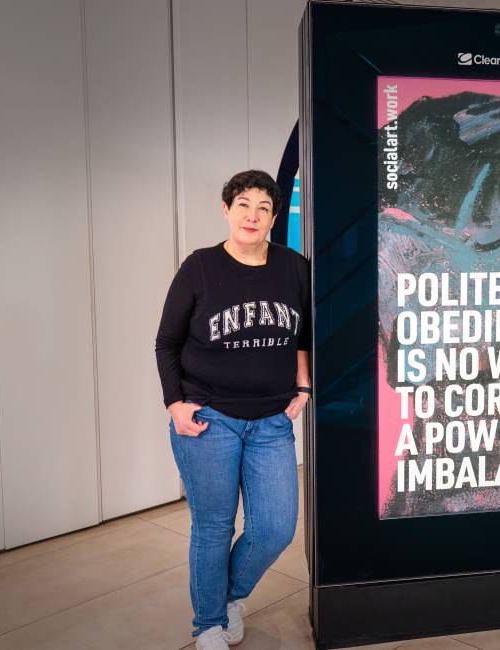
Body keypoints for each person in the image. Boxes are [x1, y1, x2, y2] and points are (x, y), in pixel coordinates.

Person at [155, 170, 311, 650]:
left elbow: (303, 337)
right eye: (243, 204)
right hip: (207, 419)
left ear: (274, 217)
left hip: (270, 421)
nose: (252, 215)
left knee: (276, 527)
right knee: (214, 525)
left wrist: (302, 390)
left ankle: (230, 598)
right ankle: (207, 625)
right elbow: (167, 343)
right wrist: (175, 405)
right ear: (227, 210)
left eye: (263, 207)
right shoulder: (199, 267)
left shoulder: (294, 267)